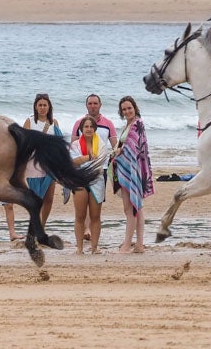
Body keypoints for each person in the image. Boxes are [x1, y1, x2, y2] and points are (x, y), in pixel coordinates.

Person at [113, 96, 153, 254]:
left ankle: (127, 245)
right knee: (136, 208)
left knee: (130, 209)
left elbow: (134, 148)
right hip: (128, 168)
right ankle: (139, 245)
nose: (127, 111)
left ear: (135, 108)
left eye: (129, 108)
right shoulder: (128, 124)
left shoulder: (137, 124)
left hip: (132, 169)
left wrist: (120, 152)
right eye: (124, 109)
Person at [23, 93, 64, 225]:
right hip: (33, 164)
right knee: (36, 198)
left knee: (49, 198)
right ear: (35, 107)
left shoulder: (54, 122)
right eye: (40, 105)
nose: (42, 108)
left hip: (49, 164)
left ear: (49, 107)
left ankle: (42, 225)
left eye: (45, 105)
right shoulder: (30, 121)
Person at [69, 114, 107, 254]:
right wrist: (88, 157)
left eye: (91, 126)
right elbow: (73, 162)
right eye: (86, 126)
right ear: (81, 129)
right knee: (80, 216)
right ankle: (79, 249)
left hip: (96, 181)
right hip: (79, 181)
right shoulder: (75, 144)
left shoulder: (101, 144)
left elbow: (101, 163)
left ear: (95, 129)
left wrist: (83, 160)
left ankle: (94, 248)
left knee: (95, 216)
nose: (89, 129)